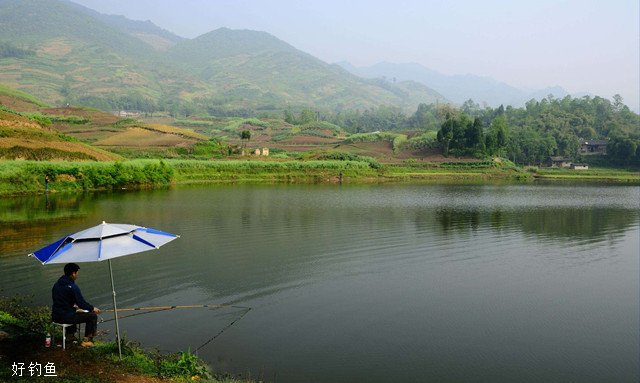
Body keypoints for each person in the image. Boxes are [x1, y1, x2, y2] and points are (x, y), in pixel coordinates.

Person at [52, 263, 101, 347]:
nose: (77, 275)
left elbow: (61, 302)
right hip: (65, 317)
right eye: (77, 272)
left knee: (74, 312)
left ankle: (69, 336)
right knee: (92, 316)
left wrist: (75, 308)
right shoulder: (73, 287)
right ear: (73, 273)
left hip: (56, 316)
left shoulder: (56, 284)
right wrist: (92, 308)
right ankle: (87, 341)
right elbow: (81, 303)